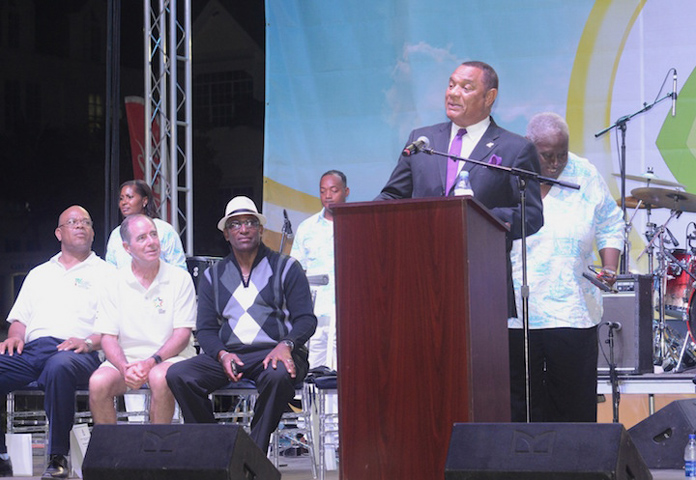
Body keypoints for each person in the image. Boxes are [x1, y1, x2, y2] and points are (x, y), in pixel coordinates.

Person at [376, 60, 544, 319]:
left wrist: (476, 218)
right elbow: (392, 196)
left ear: (490, 97)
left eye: (466, 87)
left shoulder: (515, 148)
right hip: (418, 277)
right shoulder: (422, 141)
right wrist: (363, 221)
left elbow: (531, 215)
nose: (453, 93)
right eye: (451, 85)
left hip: (482, 281)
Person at [166, 196, 317, 453]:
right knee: (179, 375)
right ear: (226, 234)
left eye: (249, 222)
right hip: (232, 355)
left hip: (277, 352)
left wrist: (286, 345)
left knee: (278, 376)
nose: (243, 229)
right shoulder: (213, 275)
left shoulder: (287, 267)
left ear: (259, 228)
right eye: (235, 224)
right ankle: (216, 450)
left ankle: (251, 456)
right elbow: (206, 330)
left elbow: (306, 319)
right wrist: (222, 354)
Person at [509, 112, 623, 422]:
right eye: (548, 155)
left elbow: (611, 222)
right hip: (517, 315)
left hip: (572, 310)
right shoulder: (508, 168)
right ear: (529, 147)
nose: (557, 162)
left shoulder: (583, 172)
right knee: (520, 409)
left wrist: (610, 268)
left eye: (562, 153)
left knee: (573, 410)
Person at [0, 206, 111, 479]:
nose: (81, 226)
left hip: (78, 352)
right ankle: (1, 455)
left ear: (93, 232)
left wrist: (88, 341)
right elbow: (20, 320)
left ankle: (57, 457)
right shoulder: (39, 273)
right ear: (59, 233)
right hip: (32, 351)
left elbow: (113, 327)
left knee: (59, 367)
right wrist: (14, 336)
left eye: (86, 222)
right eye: (73, 222)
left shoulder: (107, 273)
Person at [89, 214, 196, 424]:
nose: (151, 242)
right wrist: (124, 368)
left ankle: (156, 451)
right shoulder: (112, 282)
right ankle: (113, 454)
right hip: (126, 362)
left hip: (170, 358)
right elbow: (108, 338)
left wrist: (151, 362)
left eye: (154, 235)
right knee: (98, 383)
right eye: (142, 238)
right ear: (127, 248)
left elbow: (182, 334)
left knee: (159, 377)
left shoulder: (179, 278)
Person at [290, 170, 349, 371]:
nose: (328, 196)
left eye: (334, 190)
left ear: (346, 191)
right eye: (323, 191)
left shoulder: (358, 225)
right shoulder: (307, 228)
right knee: (314, 374)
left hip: (348, 315)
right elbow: (295, 274)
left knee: (346, 373)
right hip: (315, 315)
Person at [105, 179, 186, 270]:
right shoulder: (116, 234)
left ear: (144, 201)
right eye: (121, 198)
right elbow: (110, 272)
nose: (124, 202)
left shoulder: (164, 230)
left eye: (130, 197)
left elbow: (179, 268)